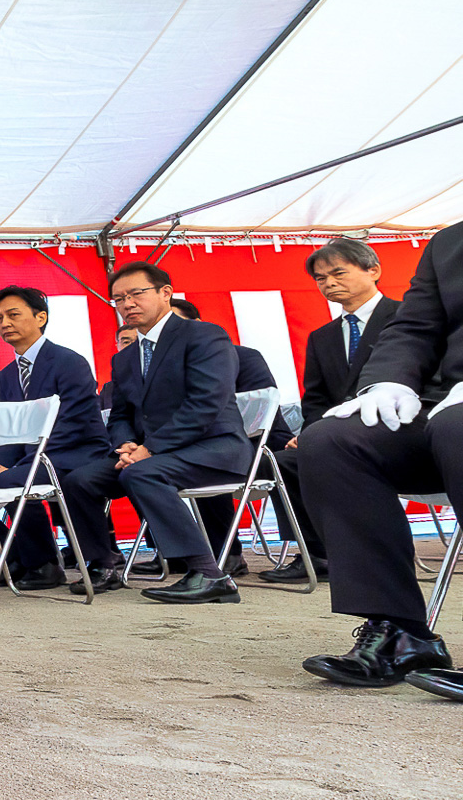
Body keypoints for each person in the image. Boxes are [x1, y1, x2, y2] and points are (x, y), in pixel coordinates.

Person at [297, 223, 460, 689]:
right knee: (330, 441)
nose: (328, 281)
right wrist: (387, 381)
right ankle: (399, 632)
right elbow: (414, 327)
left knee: (457, 427)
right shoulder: (449, 243)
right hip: (440, 404)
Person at [61, 262, 251, 604]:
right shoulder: (126, 357)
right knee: (79, 480)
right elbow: (120, 414)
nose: (127, 303)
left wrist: (150, 449)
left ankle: (209, 574)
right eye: (118, 298)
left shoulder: (204, 336)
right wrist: (125, 444)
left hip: (214, 448)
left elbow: (206, 404)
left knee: (142, 474)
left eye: (136, 293)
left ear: (165, 292)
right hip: (154, 453)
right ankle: (104, 565)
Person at [260, 237, 398, 584]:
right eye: (320, 278)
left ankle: (371, 553)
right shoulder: (322, 337)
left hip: (395, 428)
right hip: (338, 434)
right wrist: (310, 433)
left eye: (338, 273)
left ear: (373, 271)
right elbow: (316, 399)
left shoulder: (406, 318)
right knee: (281, 460)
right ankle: (315, 551)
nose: (329, 283)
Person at [0, 286, 111, 589]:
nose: (4, 324)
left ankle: (46, 564)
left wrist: (14, 468)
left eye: (13, 315)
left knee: (12, 480)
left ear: (41, 317)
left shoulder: (68, 362)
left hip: (77, 451)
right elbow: (12, 431)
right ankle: (13, 559)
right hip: (35, 458)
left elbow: (72, 423)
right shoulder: (8, 374)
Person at [167, 299, 291, 574]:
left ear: (198, 326)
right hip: (204, 444)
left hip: (259, 445)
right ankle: (177, 552)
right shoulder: (170, 369)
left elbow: (259, 411)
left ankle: (228, 554)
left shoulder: (244, 356)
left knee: (208, 461)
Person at [100, 325, 139, 412]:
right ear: (117, 346)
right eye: (126, 342)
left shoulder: (157, 378)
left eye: (137, 340)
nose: (132, 346)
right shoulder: (108, 390)